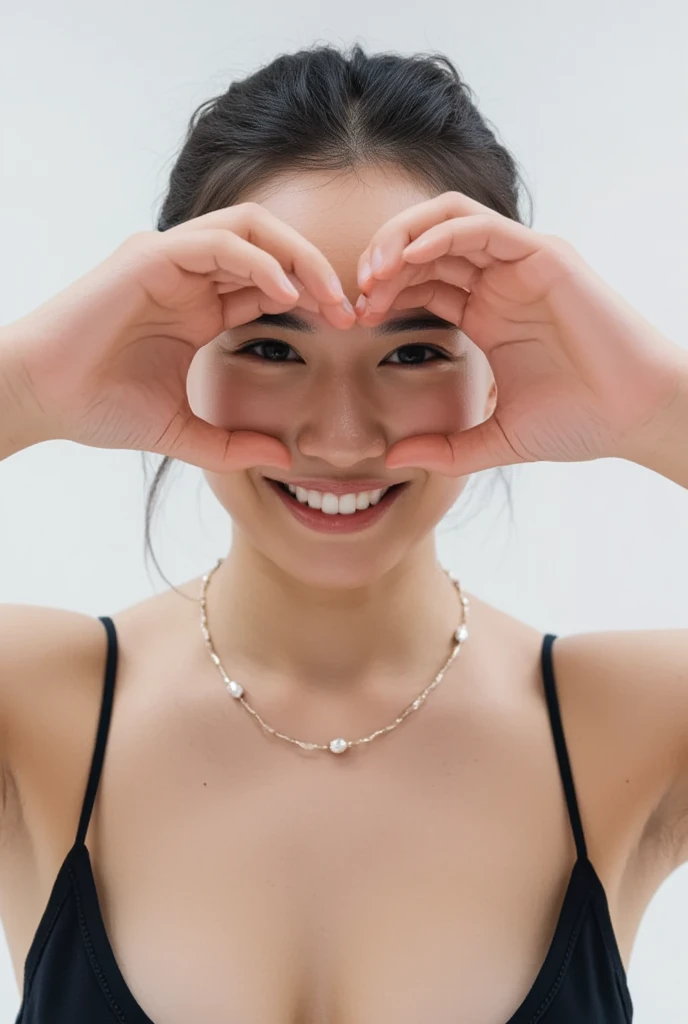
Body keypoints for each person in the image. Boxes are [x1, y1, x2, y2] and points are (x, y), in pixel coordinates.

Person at [1, 41, 687, 1024]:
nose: (341, 434)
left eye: (412, 350)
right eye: (272, 346)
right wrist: (21, 386)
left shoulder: (627, 727)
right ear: (175, 348)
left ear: (498, 362)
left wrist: (657, 405)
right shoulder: (37, 710)